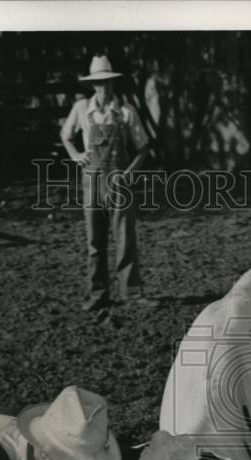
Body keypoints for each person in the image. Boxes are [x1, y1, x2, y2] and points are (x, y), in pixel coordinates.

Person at [60, 54, 150, 311]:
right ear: (92, 85)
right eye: (99, 83)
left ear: (113, 84)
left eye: (108, 82)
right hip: (92, 180)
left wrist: (129, 173)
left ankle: (131, 294)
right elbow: (66, 135)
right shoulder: (81, 109)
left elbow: (143, 147)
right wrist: (76, 155)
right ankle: (98, 293)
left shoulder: (125, 110)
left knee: (125, 238)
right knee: (94, 241)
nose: (104, 88)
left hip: (120, 182)